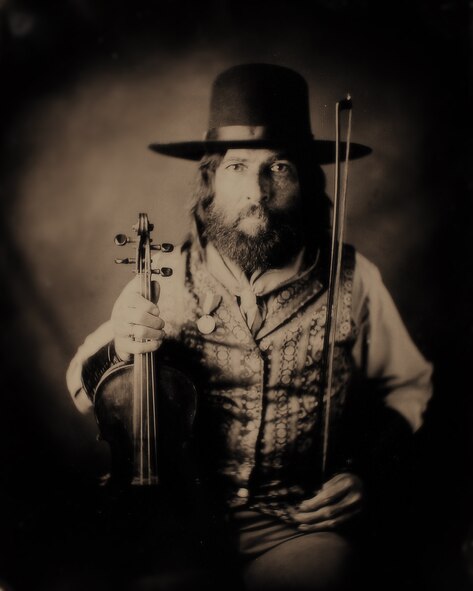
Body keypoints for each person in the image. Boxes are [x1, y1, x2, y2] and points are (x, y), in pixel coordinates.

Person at [66, 63, 433, 590]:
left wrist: (365, 474)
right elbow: (82, 384)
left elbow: (409, 387)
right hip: (178, 522)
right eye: (238, 167)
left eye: (279, 168)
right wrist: (120, 349)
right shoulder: (162, 279)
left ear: (306, 182)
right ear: (209, 181)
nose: (256, 192)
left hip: (294, 524)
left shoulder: (355, 277)